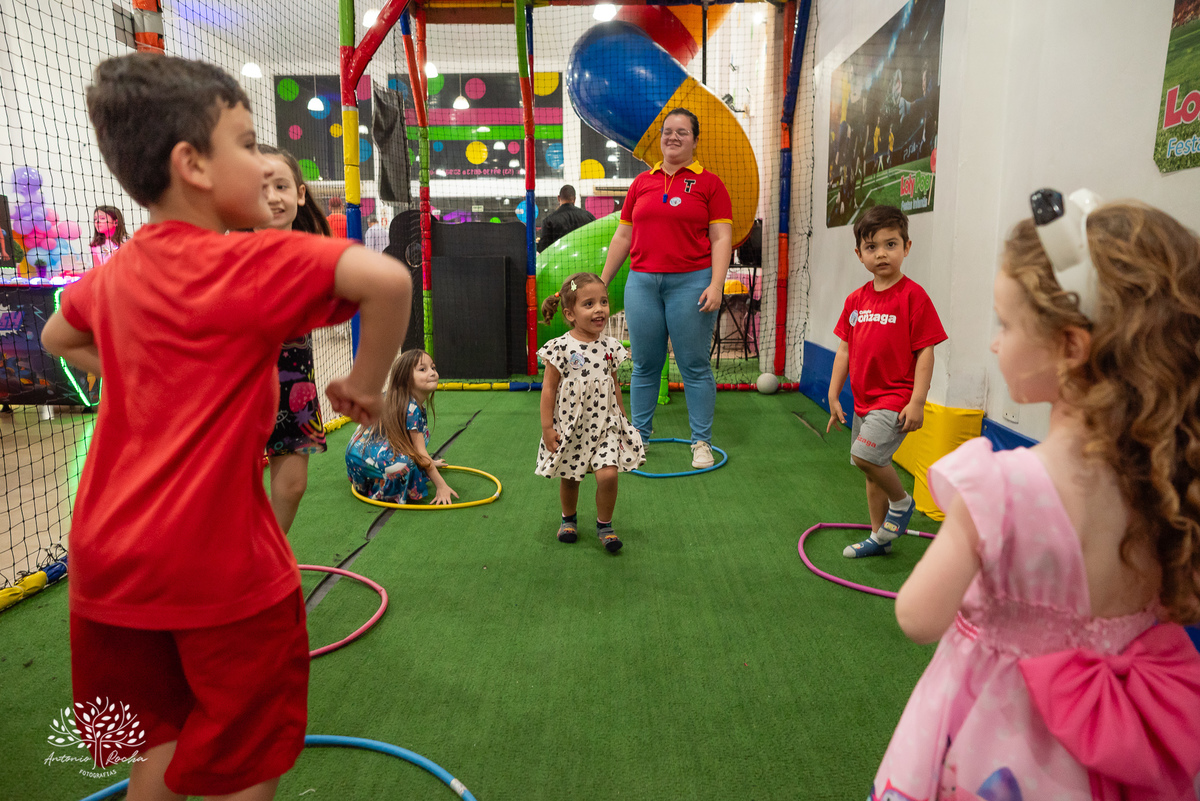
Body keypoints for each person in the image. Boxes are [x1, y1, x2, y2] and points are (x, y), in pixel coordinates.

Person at [39, 53, 410, 800]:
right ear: (194, 166)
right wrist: (363, 385)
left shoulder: (113, 275)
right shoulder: (247, 265)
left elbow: (54, 335)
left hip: (107, 562)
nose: (263, 165)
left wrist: (142, 371)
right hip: (218, 565)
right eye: (246, 144)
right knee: (246, 757)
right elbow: (390, 279)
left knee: (164, 741)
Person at [869, 196, 1200, 801]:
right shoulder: (1168, 482)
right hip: (1115, 749)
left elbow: (917, 616)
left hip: (999, 748)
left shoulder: (997, 488)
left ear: (1071, 347)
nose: (995, 344)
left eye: (1005, 324)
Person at [600, 108, 733, 469]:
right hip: (642, 282)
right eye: (667, 131)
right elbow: (623, 235)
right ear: (660, 137)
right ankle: (638, 439)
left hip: (692, 282)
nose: (673, 137)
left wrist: (716, 284)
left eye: (682, 132)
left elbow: (722, 237)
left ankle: (701, 442)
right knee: (644, 365)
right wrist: (603, 280)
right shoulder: (642, 183)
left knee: (693, 365)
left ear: (695, 139)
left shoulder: (710, 184)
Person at [827, 204, 946, 558]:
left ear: (907, 247)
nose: (881, 253)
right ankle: (879, 537)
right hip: (863, 399)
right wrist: (835, 394)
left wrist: (918, 400)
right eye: (872, 246)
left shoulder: (914, 297)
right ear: (859, 254)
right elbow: (844, 350)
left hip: (894, 399)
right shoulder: (855, 300)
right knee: (871, 471)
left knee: (865, 456)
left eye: (891, 245)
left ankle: (901, 501)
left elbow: (926, 352)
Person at [537, 272, 644, 552]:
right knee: (571, 477)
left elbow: (614, 386)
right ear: (570, 313)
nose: (599, 309)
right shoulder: (560, 348)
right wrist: (548, 427)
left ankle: (605, 524)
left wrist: (624, 421)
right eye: (589, 304)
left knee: (609, 475)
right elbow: (548, 390)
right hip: (572, 425)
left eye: (604, 302)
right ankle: (568, 519)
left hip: (606, 426)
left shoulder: (611, 347)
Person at [258, 144, 334, 534]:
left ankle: (264, 561)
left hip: (293, 383)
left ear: (300, 193)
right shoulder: (225, 254)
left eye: (281, 186)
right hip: (238, 389)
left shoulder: (311, 256)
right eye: (258, 188)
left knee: (292, 485)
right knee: (231, 488)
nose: (272, 197)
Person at [345, 348, 457, 505]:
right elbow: (419, 452)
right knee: (409, 464)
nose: (432, 373)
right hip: (363, 461)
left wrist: (428, 463)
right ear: (406, 379)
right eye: (423, 369)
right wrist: (441, 486)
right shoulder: (410, 407)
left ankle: (374, 476)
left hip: (356, 456)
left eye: (433, 367)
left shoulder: (400, 398)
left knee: (418, 444)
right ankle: (382, 487)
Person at [536, 184, 595, 252]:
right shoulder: (588, 217)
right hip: (584, 259)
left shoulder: (549, 221)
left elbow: (542, 249)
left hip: (559, 260)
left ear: (558, 198)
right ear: (574, 199)